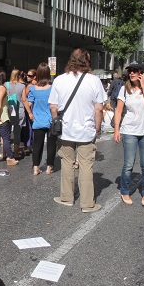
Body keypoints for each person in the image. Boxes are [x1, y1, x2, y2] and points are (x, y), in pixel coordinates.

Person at [49, 48, 106, 213]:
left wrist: (57, 121)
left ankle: (66, 197)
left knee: (66, 163)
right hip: (86, 130)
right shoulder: (94, 81)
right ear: (87, 61)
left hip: (65, 129)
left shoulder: (59, 80)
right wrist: (97, 127)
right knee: (86, 165)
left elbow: (53, 106)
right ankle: (87, 204)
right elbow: (99, 109)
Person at [113, 62, 144, 206]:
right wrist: (117, 129)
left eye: (135, 71)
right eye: (130, 71)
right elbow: (118, 111)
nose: (131, 73)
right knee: (128, 165)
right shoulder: (124, 89)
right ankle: (125, 191)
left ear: (142, 73)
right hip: (129, 130)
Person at [25, 62, 57, 175]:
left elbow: (29, 103)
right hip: (51, 121)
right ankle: (49, 167)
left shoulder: (33, 89)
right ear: (48, 74)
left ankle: (35, 168)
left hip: (37, 121)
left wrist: (30, 113)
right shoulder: (52, 88)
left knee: (37, 145)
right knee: (51, 145)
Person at [6, 69, 26, 158]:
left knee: (7, 132)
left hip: (9, 109)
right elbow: (24, 99)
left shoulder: (6, 85)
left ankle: (5, 152)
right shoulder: (22, 86)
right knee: (17, 133)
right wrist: (29, 112)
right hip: (19, 110)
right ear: (19, 76)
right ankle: (16, 153)